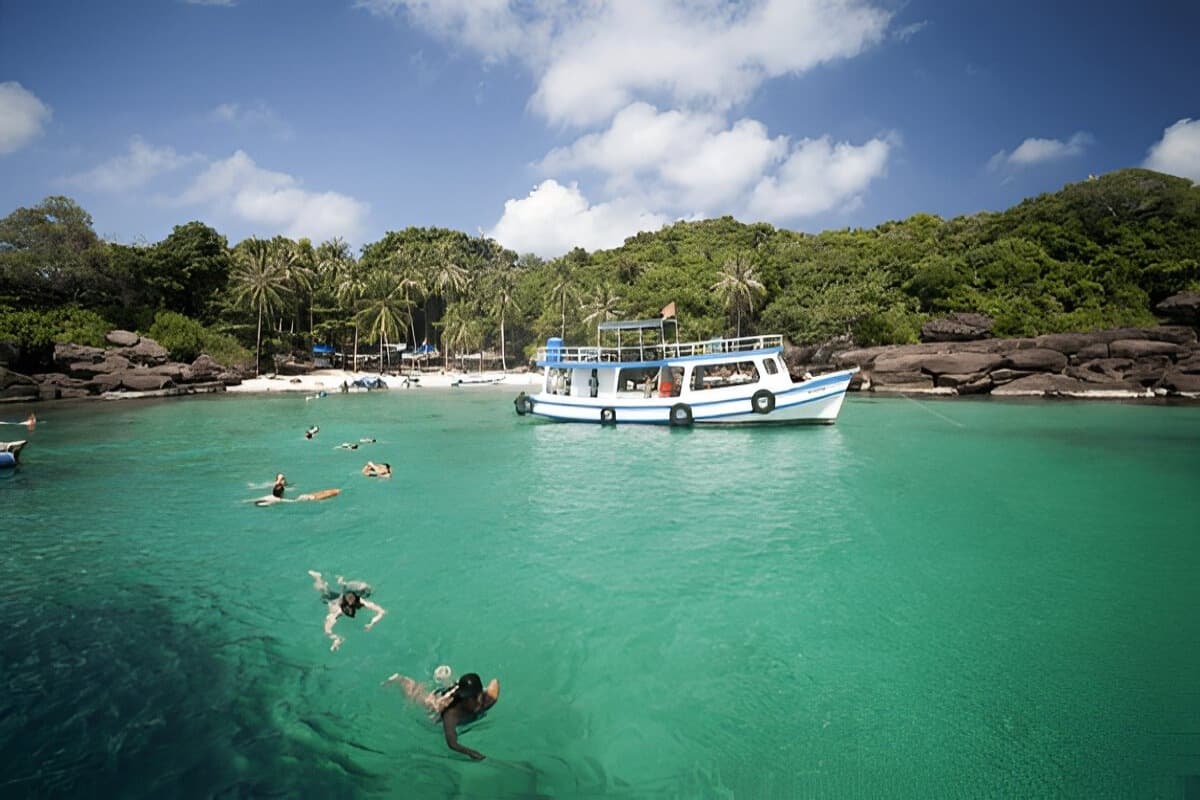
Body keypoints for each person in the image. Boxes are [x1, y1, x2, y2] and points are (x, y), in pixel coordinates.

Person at [386, 671, 500, 760]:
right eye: (467, 698)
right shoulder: (452, 714)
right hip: (440, 702)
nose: (467, 700)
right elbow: (452, 743)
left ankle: (449, 681)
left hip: (457, 692)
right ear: (463, 697)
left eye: (473, 697)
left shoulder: (488, 698)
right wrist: (470, 752)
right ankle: (400, 680)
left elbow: (495, 682)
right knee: (424, 700)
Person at [308, 571, 385, 651]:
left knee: (333, 589)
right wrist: (336, 638)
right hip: (332, 600)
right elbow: (327, 627)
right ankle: (318, 577)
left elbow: (381, 611)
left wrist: (372, 623)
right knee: (323, 590)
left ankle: (341, 582)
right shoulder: (339, 610)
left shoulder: (361, 601)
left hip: (342, 596)